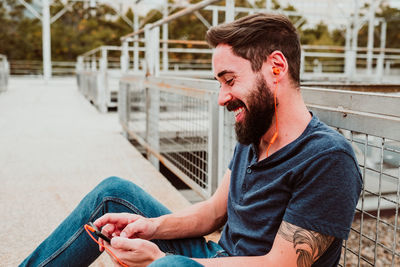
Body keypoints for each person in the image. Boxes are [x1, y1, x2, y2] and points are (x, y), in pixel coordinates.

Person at [20, 13, 362, 267]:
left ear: (276, 67)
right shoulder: (256, 131)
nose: (221, 97)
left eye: (229, 80)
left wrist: (157, 258)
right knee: (113, 195)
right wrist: (149, 227)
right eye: (219, 83)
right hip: (222, 257)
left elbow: (280, 264)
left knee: (168, 266)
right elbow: (214, 212)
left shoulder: (328, 158)